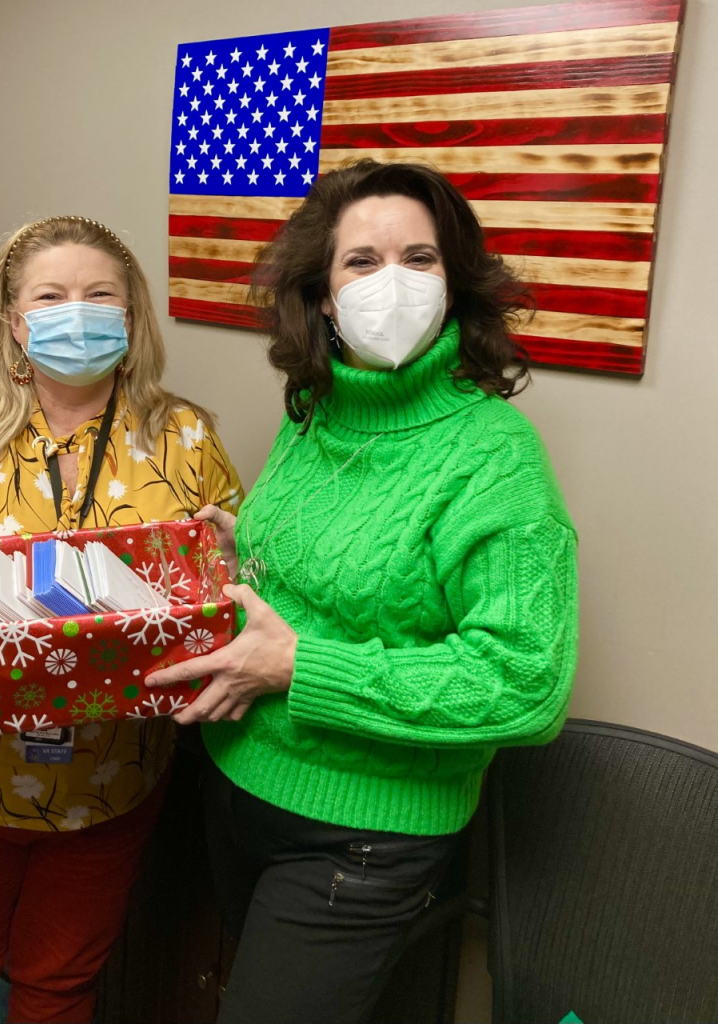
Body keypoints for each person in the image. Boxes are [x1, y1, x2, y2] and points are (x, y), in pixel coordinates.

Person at [146, 159, 578, 1024]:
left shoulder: (497, 458)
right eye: (362, 261)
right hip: (237, 781)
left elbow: (526, 684)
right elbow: (335, 573)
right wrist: (249, 551)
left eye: (420, 260)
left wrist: (300, 667)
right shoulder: (313, 408)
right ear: (324, 294)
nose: (393, 282)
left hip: (365, 833)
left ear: (456, 286)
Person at [0, 215, 242, 1024]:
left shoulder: (187, 438)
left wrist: (224, 594)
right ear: (12, 318)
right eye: (52, 296)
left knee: (59, 991)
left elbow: (225, 585)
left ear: (133, 320)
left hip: (108, 787)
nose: (79, 312)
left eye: (102, 296)